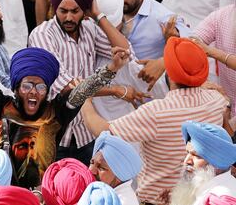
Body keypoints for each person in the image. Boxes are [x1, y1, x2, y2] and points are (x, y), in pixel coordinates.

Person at [0, 5, 129, 188]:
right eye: (27, 86)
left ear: (47, 90)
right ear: (15, 87)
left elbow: (81, 91)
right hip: (3, 193)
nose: (33, 92)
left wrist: (112, 68)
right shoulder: (0, 107)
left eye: (40, 86)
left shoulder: (55, 112)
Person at [82, 37, 230, 205]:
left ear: (170, 72)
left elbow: (103, 131)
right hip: (200, 198)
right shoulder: (217, 100)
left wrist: (84, 100)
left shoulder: (156, 112)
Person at [29, 0, 131, 166]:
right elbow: (69, 87)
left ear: (84, 10)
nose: (68, 17)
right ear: (54, 7)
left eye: (75, 11)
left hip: (85, 135)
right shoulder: (42, 35)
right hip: (55, 137)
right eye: (63, 11)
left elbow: (125, 51)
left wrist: (98, 15)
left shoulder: (89, 28)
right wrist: (114, 88)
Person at [92, 0, 168, 121]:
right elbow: (156, 90)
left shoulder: (84, 36)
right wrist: (167, 59)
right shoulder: (122, 53)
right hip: (118, 126)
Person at [105, 0, 191, 91]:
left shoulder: (162, 17)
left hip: (152, 100)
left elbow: (195, 47)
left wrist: (165, 62)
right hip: (116, 99)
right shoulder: (110, 11)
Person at [170, 121, 236, 205]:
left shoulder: (219, 199)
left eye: (196, 156)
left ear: (217, 162)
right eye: (188, 153)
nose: (187, 161)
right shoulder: (206, 184)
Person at [193, 3, 236, 115]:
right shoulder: (221, 16)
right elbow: (192, 43)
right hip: (229, 111)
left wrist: (213, 52)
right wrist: (200, 82)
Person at [89, 132, 141, 205]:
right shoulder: (103, 193)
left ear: (119, 177)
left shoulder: (123, 202)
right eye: (92, 162)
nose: (91, 170)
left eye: (101, 168)